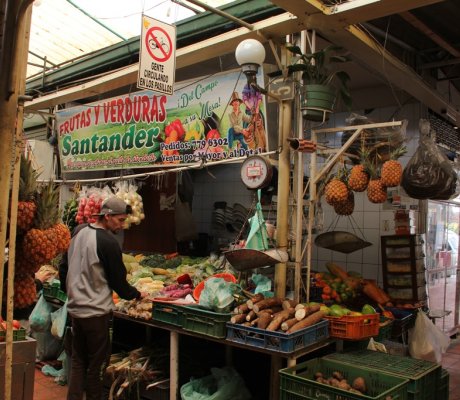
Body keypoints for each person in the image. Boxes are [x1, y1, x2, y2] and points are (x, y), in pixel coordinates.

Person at [59, 196, 147, 400]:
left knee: (79, 361)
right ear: (107, 216)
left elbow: (63, 267)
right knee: (97, 366)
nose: (122, 224)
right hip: (96, 314)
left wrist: (71, 292)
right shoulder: (109, 243)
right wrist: (137, 294)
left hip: (76, 311)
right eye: (120, 220)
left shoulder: (78, 231)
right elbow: (119, 283)